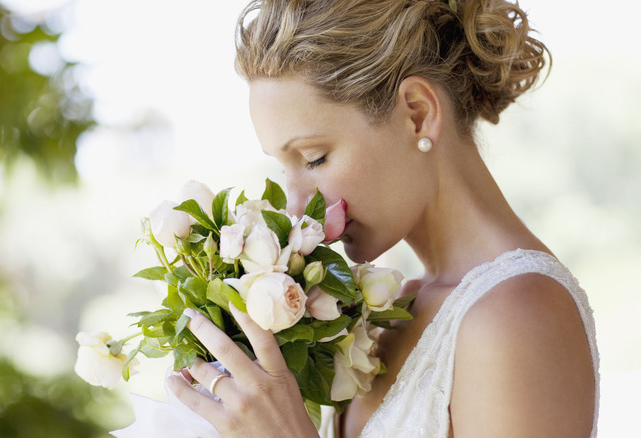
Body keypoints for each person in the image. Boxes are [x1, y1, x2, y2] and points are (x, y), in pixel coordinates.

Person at [166, 0, 600, 437]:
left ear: (418, 113)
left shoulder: (516, 315)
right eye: (284, 168)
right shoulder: (386, 315)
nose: (295, 207)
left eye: (314, 158)